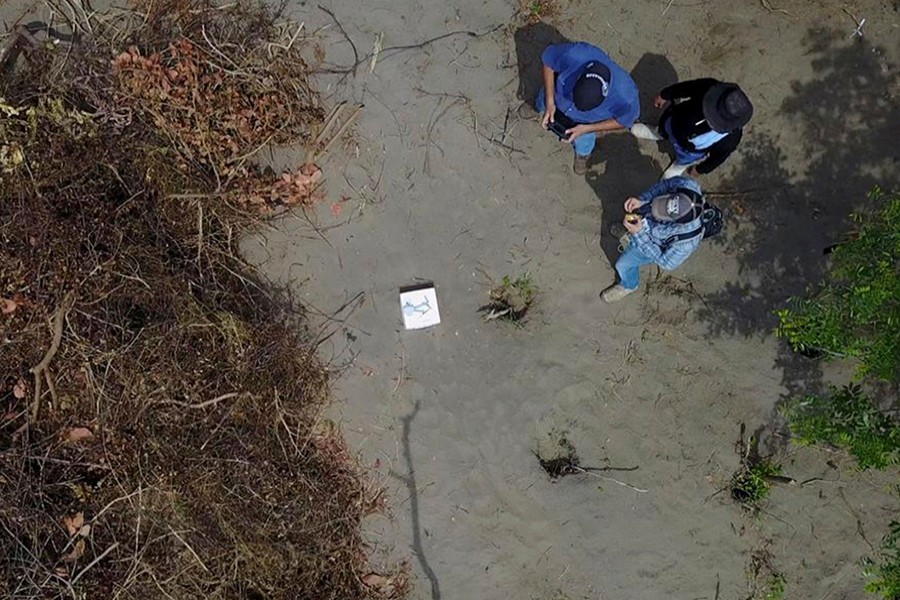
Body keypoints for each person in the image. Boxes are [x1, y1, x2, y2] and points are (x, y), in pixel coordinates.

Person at [519, 41, 640, 175]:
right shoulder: (574, 54)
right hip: (556, 97)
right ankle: (537, 106)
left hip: (585, 124)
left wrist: (588, 128)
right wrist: (549, 101)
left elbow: (624, 121)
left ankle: (582, 155)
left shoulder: (627, 98)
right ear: (579, 78)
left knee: (584, 141)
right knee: (542, 99)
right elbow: (548, 61)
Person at [600, 176, 708, 302]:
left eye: (665, 214)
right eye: (664, 202)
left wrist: (639, 233)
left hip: (651, 243)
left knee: (622, 265)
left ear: (679, 223)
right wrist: (643, 200)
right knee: (634, 217)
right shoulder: (687, 184)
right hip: (644, 224)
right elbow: (666, 184)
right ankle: (630, 232)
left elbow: (666, 262)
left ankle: (629, 285)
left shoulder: (686, 242)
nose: (656, 209)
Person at [631, 79, 752, 179]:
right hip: (675, 121)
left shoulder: (732, 139)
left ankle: (679, 166)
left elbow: (718, 157)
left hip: (691, 151)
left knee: (684, 158)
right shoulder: (710, 88)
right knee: (664, 128)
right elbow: (686, 87)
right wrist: (665, 95)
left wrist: (700, 169)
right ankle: (657, 133)